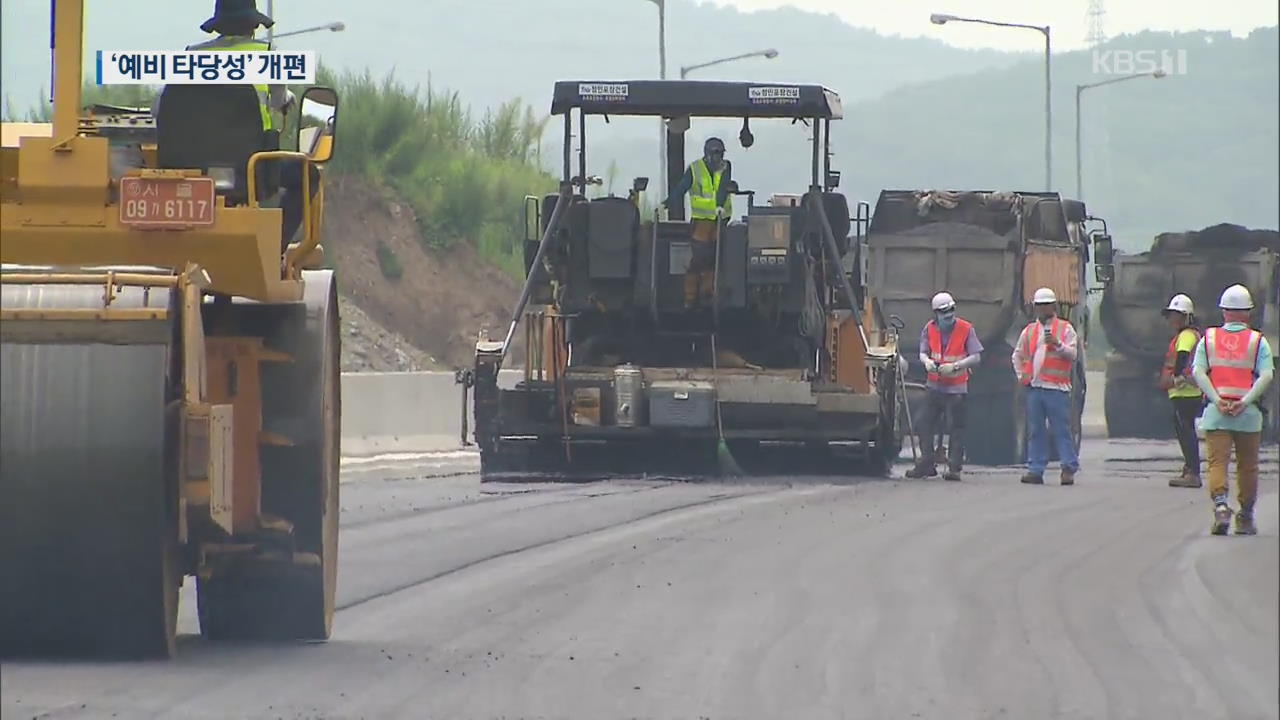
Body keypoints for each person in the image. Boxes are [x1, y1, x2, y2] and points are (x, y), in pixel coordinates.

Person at [187, 0, 313, 249]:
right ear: (254, 24)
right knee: (308, 176)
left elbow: (160, 105)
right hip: (252, 165)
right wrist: (288, 99)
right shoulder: (266, 54)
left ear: (218, 25)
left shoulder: (192, 55)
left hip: (195, 166)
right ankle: (274, 248)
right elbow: (279, 99)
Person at [1192, 284, 1274, 536]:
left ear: (1224, 312)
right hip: (1247, 416)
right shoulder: (1258, 341)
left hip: (1218, 414)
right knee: (1247, 466)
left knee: (1217, 462)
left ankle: (1220, 507)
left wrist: (1217, 400)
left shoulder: (1209, 339)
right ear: (1248, 313)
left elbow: (1197, 371)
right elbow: (1267, 375)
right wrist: (1245, 401)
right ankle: (1246, 517)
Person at [906, 292, 983, 481]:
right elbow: (923, 352)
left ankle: (954, 467)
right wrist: (927, 362)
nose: (948, 315)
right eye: (943, 312)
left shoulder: (966, 329)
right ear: (935, 314)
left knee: (956, 427)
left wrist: (956, 366)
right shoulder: (929, 329)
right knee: (923, 422)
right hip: (934, 386)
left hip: (956, 388)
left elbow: (976, 357)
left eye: (950, 311)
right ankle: (927, 463)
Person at [1011, 287, 1080, 485]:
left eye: (1046, 305)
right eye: (1039, 306)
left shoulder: (1065, 329)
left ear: (1053, 306)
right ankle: (1035, 469)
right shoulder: (1030, 331)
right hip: (1035, 388)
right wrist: (1021, 375)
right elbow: (1017, 355)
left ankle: (1068, 467)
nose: (1043, 309)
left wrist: (1058, 345)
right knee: (1035, 430)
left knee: (1061, 430)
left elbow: (1073, 355)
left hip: (1057, 389)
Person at [665, 137, 733, 307]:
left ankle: (708, 294)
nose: (719, 158)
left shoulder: (725, 167)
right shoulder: (695, 169)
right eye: (716, 154)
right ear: (707, 154)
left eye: (721, 154)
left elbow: (724, 186)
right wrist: (669, 201)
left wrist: (719, 205)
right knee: (700, 258)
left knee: (715, 258)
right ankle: (690, 298)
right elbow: (682, 187)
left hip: (720, 220)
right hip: (702, 221)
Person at [1159, 294, 1204, 488]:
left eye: (1176, 315)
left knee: (1186, 431)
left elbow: (1183, 355)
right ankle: (1189, 468)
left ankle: (1193, 472)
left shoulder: (1186, 335)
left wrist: (1177, 376)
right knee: (1184, 430)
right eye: (1170, 315)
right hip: (1185, 392)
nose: (1171, 319)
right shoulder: (1187, 334)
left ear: (1186, 317)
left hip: (1185, 392)